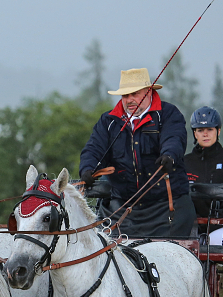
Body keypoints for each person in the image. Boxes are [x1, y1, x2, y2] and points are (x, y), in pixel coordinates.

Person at [79, 68, 195, 238]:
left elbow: (174, 138)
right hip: (122, 208)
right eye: (125, 96)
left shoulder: (168, 114)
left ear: (149, 92)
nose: (129, 100)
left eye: (135, 94)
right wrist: (87, 169)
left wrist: (169, 155)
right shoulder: (108, 121)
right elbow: (94, 148)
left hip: (166, 209)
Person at [184, 105, 223, 218]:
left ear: (218, 131)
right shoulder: (184, 162)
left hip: (222, 224)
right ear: (195, 133)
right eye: (200, 130)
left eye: (210, 129)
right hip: (188, 224)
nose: (205, 134)